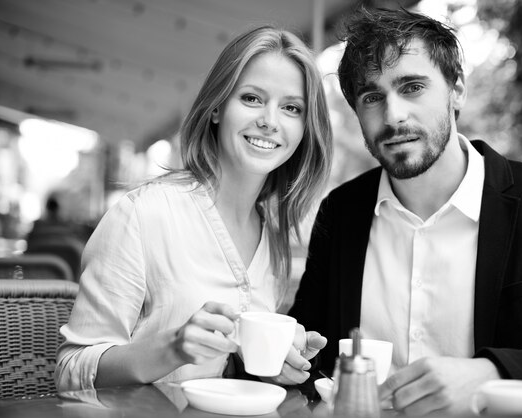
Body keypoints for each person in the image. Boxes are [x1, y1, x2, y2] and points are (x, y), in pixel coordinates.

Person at [288, 7, 522, 415]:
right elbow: (309, 348)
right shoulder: (339, 213)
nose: (393, 116)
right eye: (372, 97)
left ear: (456, 89)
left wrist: (492, 372)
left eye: (411, 87)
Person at [55, 25, 333, 391]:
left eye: (291, 108)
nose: (270, 120)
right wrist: (172, 348)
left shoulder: (275, 241)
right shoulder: (143, 215)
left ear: (304, 129)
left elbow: (227, 372)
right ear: (217, 108)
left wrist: (267, 366)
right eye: (251, 98)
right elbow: (71, 370)